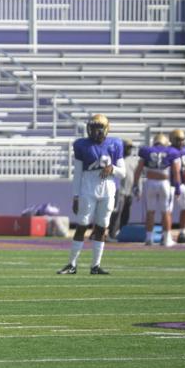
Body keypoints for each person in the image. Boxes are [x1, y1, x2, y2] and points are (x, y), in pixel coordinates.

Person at [58, 114, 123, 275]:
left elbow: (123, 173)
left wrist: (112, 168)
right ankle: (72, 264)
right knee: (82, 226)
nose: (95, 132)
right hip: (88, 188)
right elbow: (78, 174)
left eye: (98, 128)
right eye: (93, 128)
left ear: (106, 129)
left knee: (101, 228)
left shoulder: (115, 144)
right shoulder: (82, 145)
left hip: (108, 189)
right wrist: (75, 196)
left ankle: (95, 266)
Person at [135, 132, 181, 247]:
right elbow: (176, 172)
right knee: (166, 212)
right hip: (164, 183)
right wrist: (178, 188)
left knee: (150, 211)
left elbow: (138, 169)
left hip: (150, 182)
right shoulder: (171, 151)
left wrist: (135, 185)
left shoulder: (147, 151)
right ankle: (166, 239)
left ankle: (149, 238)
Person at [107, 139, 139, 240]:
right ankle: (112, 233)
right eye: (127, 147)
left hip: (129, 191)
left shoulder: (134, 160)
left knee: (126, 214)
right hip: (119, 190)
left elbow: (137, 175)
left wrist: (138, 188)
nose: (129, 149)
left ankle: (121, 233)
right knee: (116, 213)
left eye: (130, 147)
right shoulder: (117, 159)